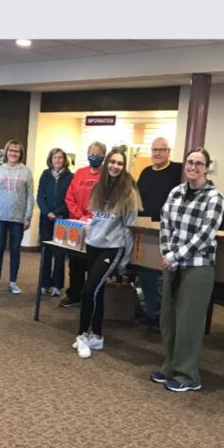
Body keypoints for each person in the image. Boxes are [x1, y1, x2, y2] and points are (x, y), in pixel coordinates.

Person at [150, 146, 224, 393]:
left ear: (206, 168)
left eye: (199, 164)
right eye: (190, 162)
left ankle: (188, 374)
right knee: (168, 318)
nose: (193, 167)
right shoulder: (176, 192)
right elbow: (165, 223)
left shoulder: (214, 197)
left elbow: (206, 234)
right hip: (172, 262)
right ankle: (170, 365)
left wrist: (177, 256)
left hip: (198, 267)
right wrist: (167, 253)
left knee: (188, 322)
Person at [71, 147, 139, 359]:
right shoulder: (99, 188)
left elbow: (130, 229)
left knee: (88, 290)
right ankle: (97, 336)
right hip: (93, 245)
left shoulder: (128, 192)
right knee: (97, 292)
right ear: (107, 163)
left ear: (123, 166)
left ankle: (82, 335)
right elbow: (95, 219)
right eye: (112, 162)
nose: (115, 166)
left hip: (112, 248)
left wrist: (125, 260)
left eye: (120, 163)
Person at [136, 137, 182, 326]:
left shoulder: (177, 171)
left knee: (166, 276)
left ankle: (165, 317)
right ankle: (152, 314)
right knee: (147, 274)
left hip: (169, 233)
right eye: (154, 150)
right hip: (147, 231)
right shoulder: (146, 172)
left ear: (168, 151)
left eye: (161, 150)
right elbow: (137, 199)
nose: (157, 153)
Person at [60, 141, 106, 308]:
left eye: (98, 154)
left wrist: (93, 217)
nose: (94, 156)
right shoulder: (79, 173)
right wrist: (80, 216)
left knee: (92, 263)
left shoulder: (106, 175)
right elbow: (69, 197)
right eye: (92, 153)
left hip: (98, 225)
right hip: (77, 224)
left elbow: (107, 200)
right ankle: (74, 294)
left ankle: (90, 295)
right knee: (75, 262)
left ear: (103, 157)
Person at [0, 139, 34, 295]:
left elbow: (30, 195)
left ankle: (13, 282)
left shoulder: (26, 171)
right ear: (6, 152)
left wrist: (28, 217)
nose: (13, 153)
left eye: (16, 151)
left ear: (20, 153)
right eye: (10, 150)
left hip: (18, 218)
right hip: (0, 217)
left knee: (15, 250)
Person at [36, 148, 73, 297]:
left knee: (59, 254)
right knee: (46, 252)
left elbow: (69, 199)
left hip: (62, 220)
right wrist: (47, 212)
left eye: (60, 158)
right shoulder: (45, 174)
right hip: (46, 219)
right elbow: (40, 196)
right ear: (50, 160)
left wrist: (57, 212)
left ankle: (57, 285)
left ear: (64, 160)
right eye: (54, 158)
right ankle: (44, 283)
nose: (57, 160)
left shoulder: (71, 176)